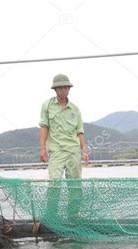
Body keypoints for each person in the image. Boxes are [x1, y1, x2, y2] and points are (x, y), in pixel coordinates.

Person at [39, 74, 89, 222]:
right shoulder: (47, 105)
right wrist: (42, 149)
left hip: (73, 150)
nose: (63, 90)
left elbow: (80, 131)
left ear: (69, 89)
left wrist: (84, 151)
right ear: (55, 89)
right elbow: (44, 127)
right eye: (60, 88)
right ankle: (51, 216)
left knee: (75, 185)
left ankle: (73, 216)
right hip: (56, 150)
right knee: (55, 182)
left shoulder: (75, 109)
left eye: (65, 87)